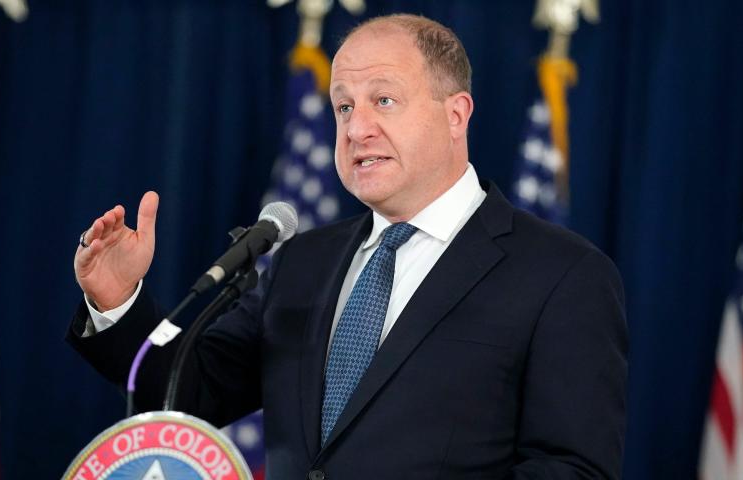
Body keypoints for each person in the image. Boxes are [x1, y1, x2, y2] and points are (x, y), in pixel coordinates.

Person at [68, 14, 627, 479]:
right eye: (343, 106)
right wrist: (117, 302)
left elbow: (572, 471)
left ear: (456, 115)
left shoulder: (562, 275)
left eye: (383, 100)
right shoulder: (300, 263)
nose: (357, 128)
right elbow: (188, 395)